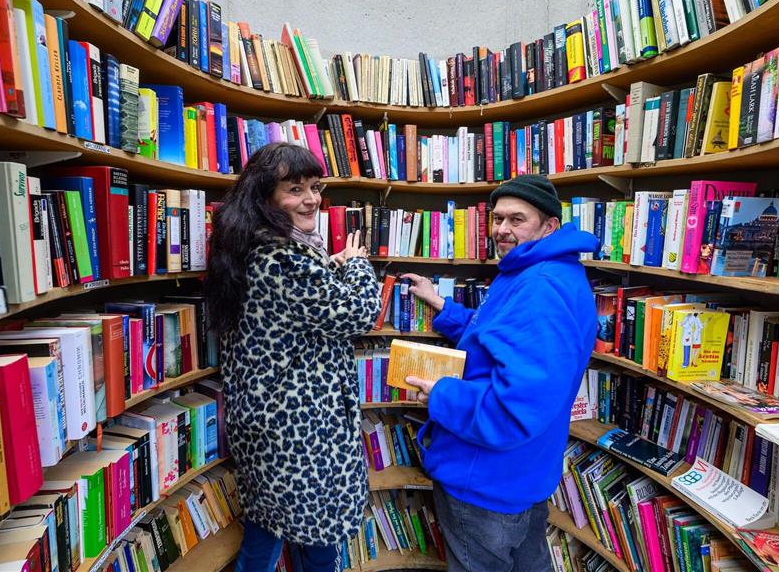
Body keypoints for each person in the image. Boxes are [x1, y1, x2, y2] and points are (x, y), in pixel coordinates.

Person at [403, 174, 598, 572]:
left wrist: (440, 395)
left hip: (485, 482)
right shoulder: (540, 269)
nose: (502, 229)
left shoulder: (540, 288)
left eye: (516, 219)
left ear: (549, 226)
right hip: (521, 473)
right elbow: (497, 336)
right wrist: (442, 306)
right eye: (497, 218)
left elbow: (513, 410)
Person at [206, 142, 382, 572]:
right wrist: (357, 263)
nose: (311, 199)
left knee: (268, 525)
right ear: (264, 197)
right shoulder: (281, 256)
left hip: (273, 423)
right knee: (315, 533)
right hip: (298, 430)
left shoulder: (256, 246)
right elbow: (358, 312)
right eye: (295, 189)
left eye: (315, 187)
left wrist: (331, 267)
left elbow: (298, 305)